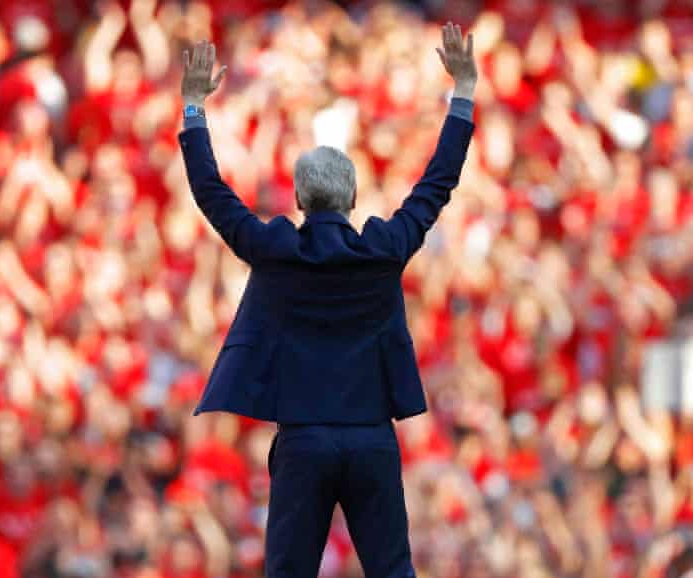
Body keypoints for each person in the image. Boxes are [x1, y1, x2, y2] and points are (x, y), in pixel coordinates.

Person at [177, 22, 478, 578]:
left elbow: (211, 192)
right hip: (370, 440)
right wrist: (462, 95)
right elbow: (438, 183)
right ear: (354, 197)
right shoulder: (384, 249)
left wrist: (194, 107)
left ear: (296, 198)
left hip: (303, 442)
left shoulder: (274, 249)